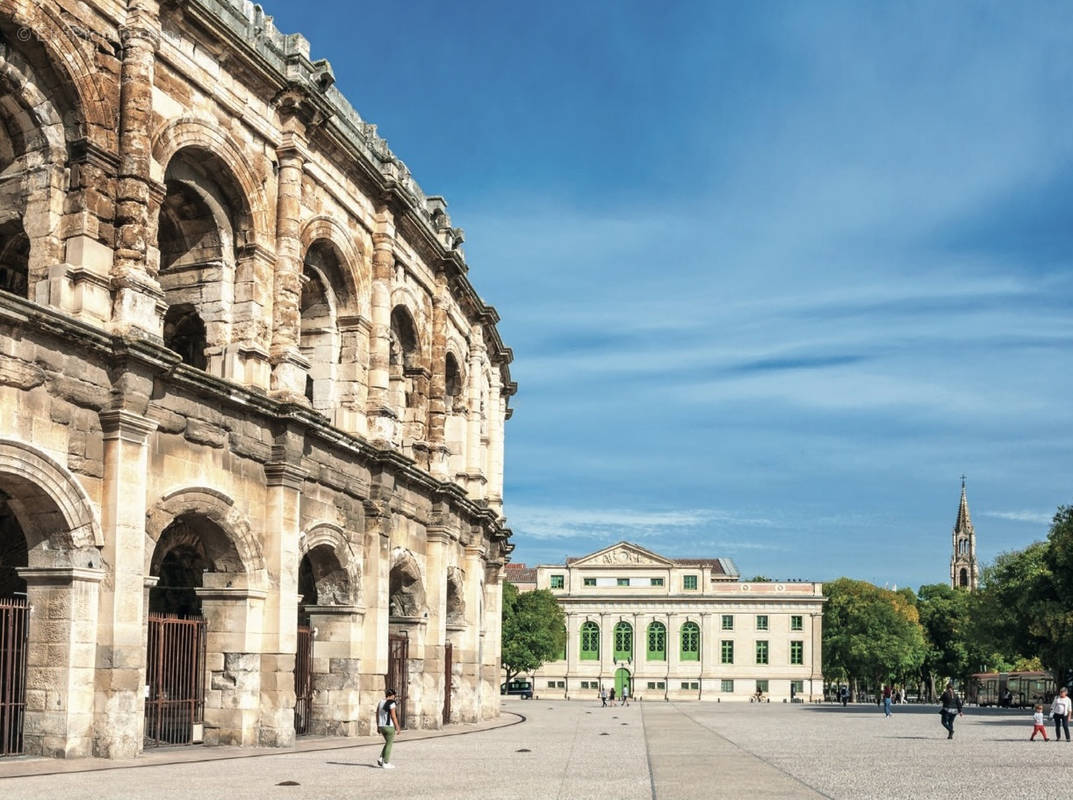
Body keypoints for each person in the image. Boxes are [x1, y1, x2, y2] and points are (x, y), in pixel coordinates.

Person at [375, 688, 402, 768]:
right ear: (392, 695)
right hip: (389, 726)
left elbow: (377, 714)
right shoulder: (392, 703)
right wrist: (397, 727)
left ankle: (381, 758)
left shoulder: (380, 702)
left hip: (381, 726)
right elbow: (393, 716)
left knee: (387, 743)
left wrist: (377, 726)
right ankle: (386, 762)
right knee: (389, 743)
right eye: (394, 696)